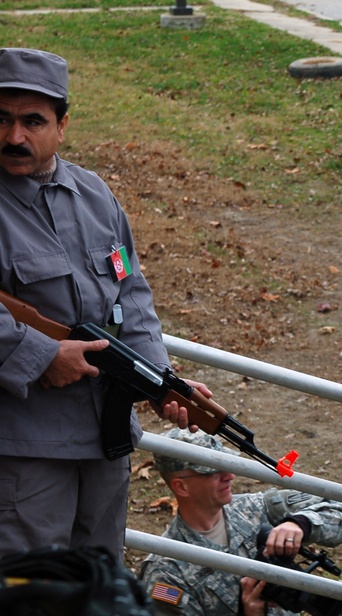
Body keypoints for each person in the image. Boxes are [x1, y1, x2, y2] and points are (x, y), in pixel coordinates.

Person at [0, 47, 199, 560]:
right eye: (1, 119)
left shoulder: (93, 195)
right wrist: (41, 354)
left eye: (32, 121)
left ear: (62, 126)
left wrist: (158, 379)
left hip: (102, 441)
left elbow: (130, 292)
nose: (14, 136)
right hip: (24, 450)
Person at [138, 428, 342, 616]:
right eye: (212, 471)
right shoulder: (166, 572)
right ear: (181, 487)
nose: (229, 475)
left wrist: (300, 524)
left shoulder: (255, 507)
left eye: (227, 463)